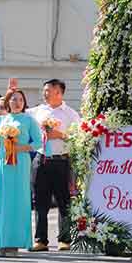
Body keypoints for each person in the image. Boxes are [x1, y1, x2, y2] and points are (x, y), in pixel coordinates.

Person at [0, 88, 41, 257]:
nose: (17, 102)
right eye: (13, 99)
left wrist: (19, 147)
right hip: (3, 165)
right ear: (7, 102)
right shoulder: (1, 120)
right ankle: (2, 242)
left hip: (20, 164)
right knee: (3, 202)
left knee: (18, 201)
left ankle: (14, 244)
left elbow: (38, 142)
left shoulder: (29, 120)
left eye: (20, 99)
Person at [22, 78, 81, 252]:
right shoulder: (37, 111)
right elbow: (16, 112)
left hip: (62, 160)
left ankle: (64, 239)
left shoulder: (71, 114)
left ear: (59, 92)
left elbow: (78, 138)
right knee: (40, 201)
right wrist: (12, 92)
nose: (45, 93)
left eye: (48, 90)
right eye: (44, 90)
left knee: (64, 201)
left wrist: (60, 135)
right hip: (41, 160)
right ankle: (40, 240)